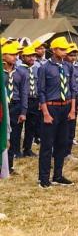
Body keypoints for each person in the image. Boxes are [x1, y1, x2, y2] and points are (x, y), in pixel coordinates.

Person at [37, 37, 76, 188]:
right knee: (47, 145)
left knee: (62, 143)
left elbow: (72, 89)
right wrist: (46, 113)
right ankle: (43, 178)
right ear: (53, 50)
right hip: (51, 107)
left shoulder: (68, 67)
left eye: (66, 49)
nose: (65, 51)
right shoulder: (44, 68)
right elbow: (41, 92)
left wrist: (72, 109)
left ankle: (58, 176)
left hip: (65, 107)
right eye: (62, 49)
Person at [2, 42, 27, 171]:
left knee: (14, 136)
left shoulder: (21, 72)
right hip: (2, 107)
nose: (15, 57)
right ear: (3, 56)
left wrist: (23, 111)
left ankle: (10, 166)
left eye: (16, 54)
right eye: (11, 54)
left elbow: (24, 93)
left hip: (15, 106)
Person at [21, 43, 41, 158]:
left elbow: (40, 85)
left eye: (33, 55)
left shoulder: (37, 69)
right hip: (22, 100)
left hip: (34, 100)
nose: (32, 58)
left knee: (31, 126)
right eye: (29, 56)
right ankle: (15, 150)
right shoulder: (19, 69)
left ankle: (27, 149)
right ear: (23, 57)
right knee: (18, 126)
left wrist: (40, 100)